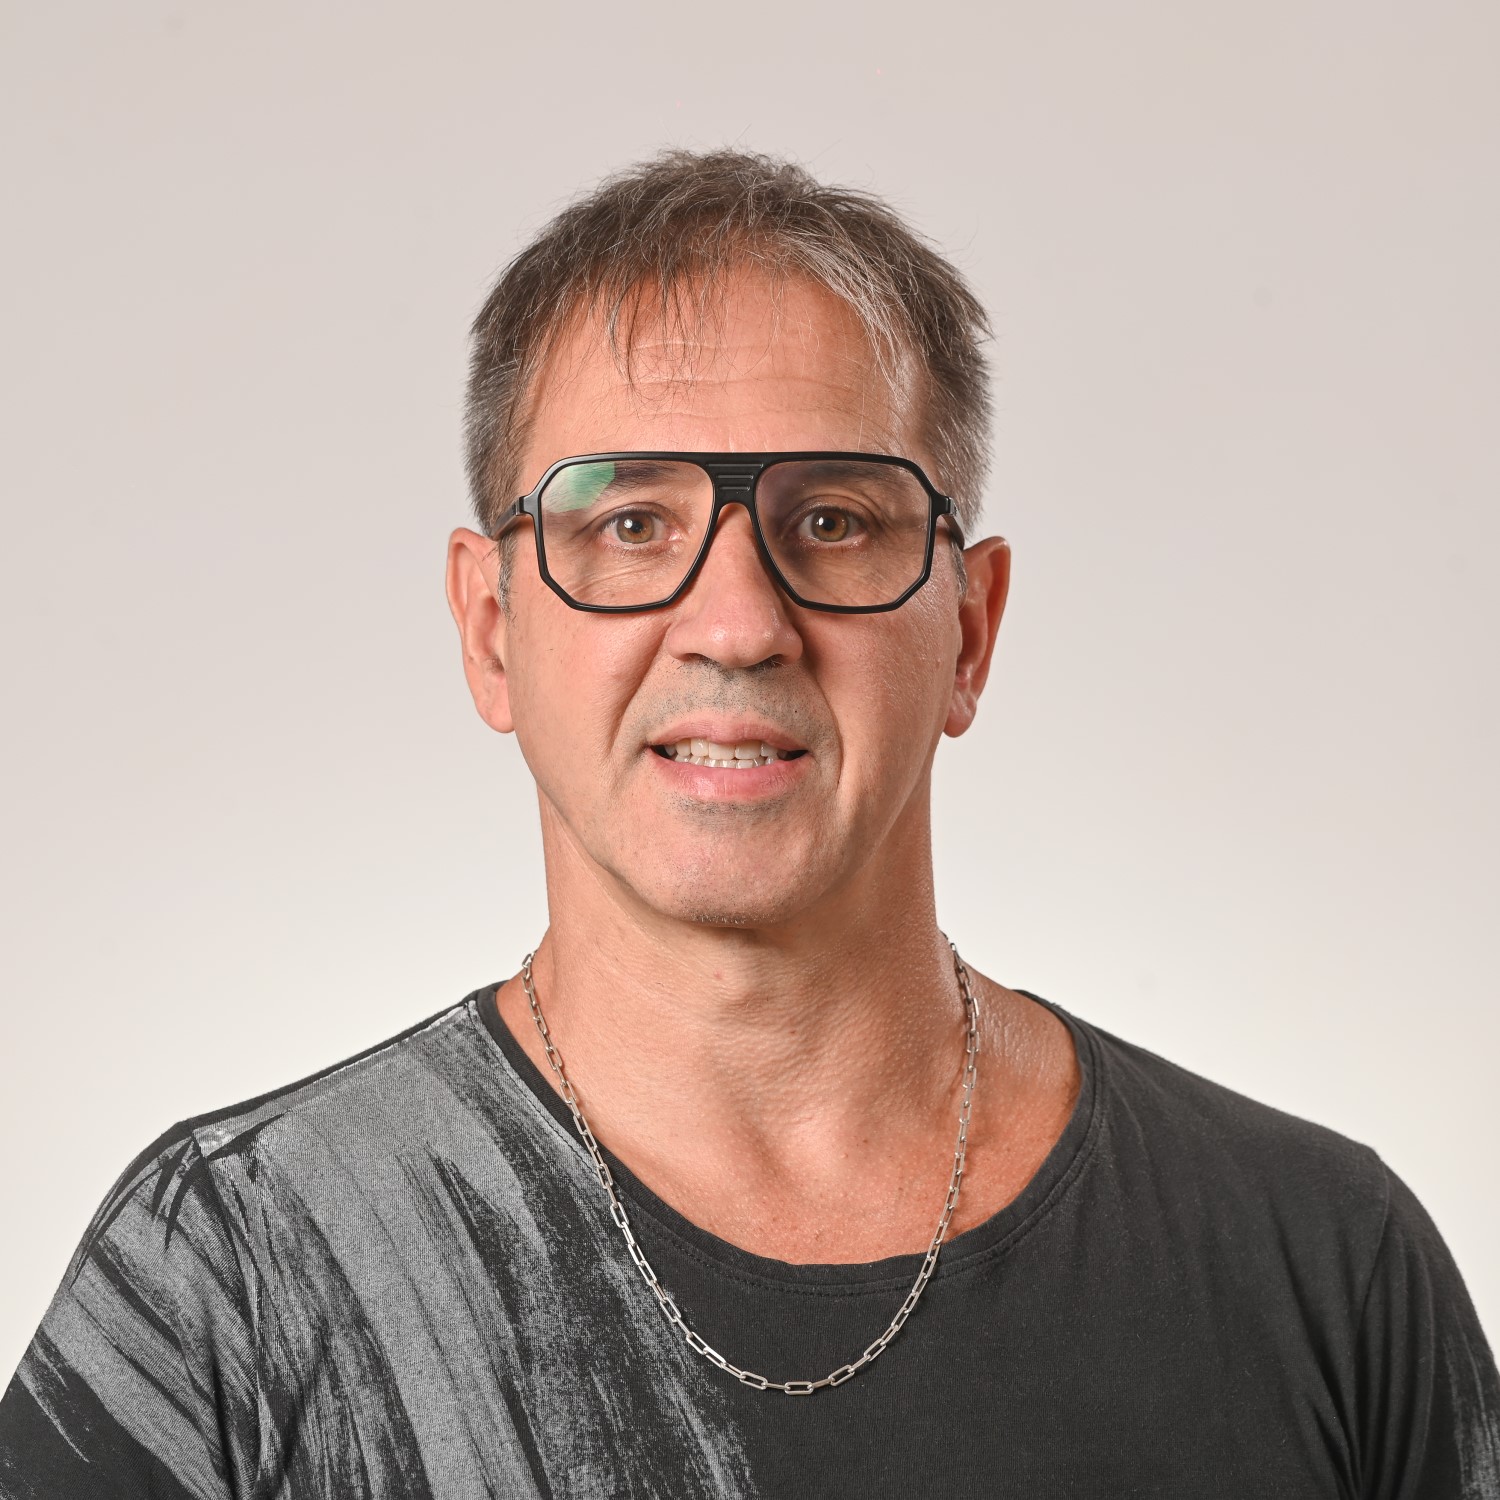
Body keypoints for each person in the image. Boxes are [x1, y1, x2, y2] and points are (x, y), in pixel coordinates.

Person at [2, 147, 1497, 1499]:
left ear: (970, 631)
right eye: (628, 523)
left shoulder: (1325, 1263)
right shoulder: (233, 1280)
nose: (736, 622)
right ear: (490, 629)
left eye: (832, 521)